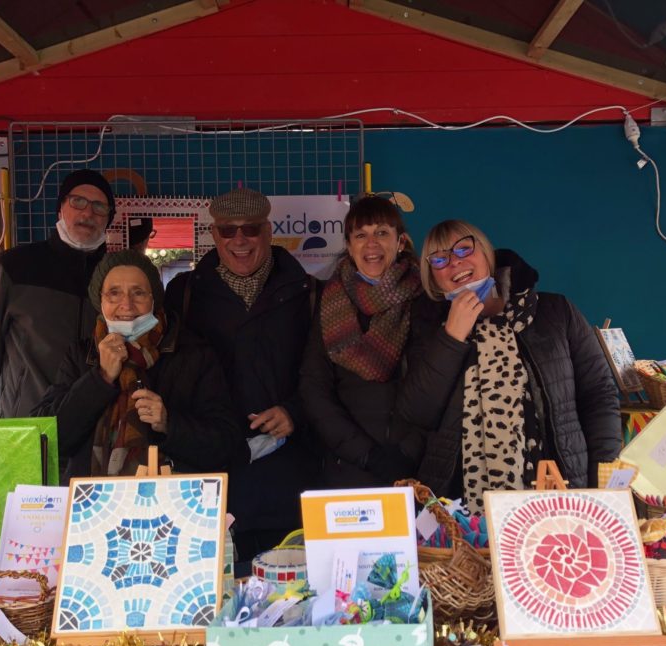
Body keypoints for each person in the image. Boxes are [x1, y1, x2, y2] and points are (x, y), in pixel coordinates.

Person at [397, 220, 621, 514]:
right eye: (440, 259)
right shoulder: (428, 328)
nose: (455, 262)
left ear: (487, 254)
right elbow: (416, 412)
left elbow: (599, 395)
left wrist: (604, 481)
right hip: (463, 507)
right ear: (433, 279)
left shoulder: (556, 312)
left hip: (559, 491)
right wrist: (451, 337)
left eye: (464, 248)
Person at [164, 188, 315, 562]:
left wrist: (294, 411)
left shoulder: (308, 293)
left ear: (268, 231)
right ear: (213, 235)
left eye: (250, 229)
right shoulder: (184, 295)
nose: (240, 240)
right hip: (210, 482)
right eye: (228, 231)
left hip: (288, 481)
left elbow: (326, 375)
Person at [34, 250, 240, 481]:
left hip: (170, 502)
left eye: (138, 293)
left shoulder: (193, 354)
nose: (126, 305)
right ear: (99, 301)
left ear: (154, 300)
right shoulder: (81, 355)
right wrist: (100, 378)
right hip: (93, 506)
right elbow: (48, 440)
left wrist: (169, 423)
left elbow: (226, 443)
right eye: (114, 293)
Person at [0, 169, 115, 418]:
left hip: (93, 430)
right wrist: (4, 418)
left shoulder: (115, 276)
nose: (87, 213)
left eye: (99, 206)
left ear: (108, 218)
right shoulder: (13, 267)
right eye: (78, 201)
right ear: (60, 208)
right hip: (26, 425)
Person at [299, 195, 424, 488]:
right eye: (361, 235)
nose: (371, 244)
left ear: (401, 242)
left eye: (382, 233)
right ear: (349, 246)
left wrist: (409, 452)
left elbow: (438, 386)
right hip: (348, 469)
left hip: (416, 470)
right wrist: (366, 454)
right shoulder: (328, 301)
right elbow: (314, 387)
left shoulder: (426, 300)